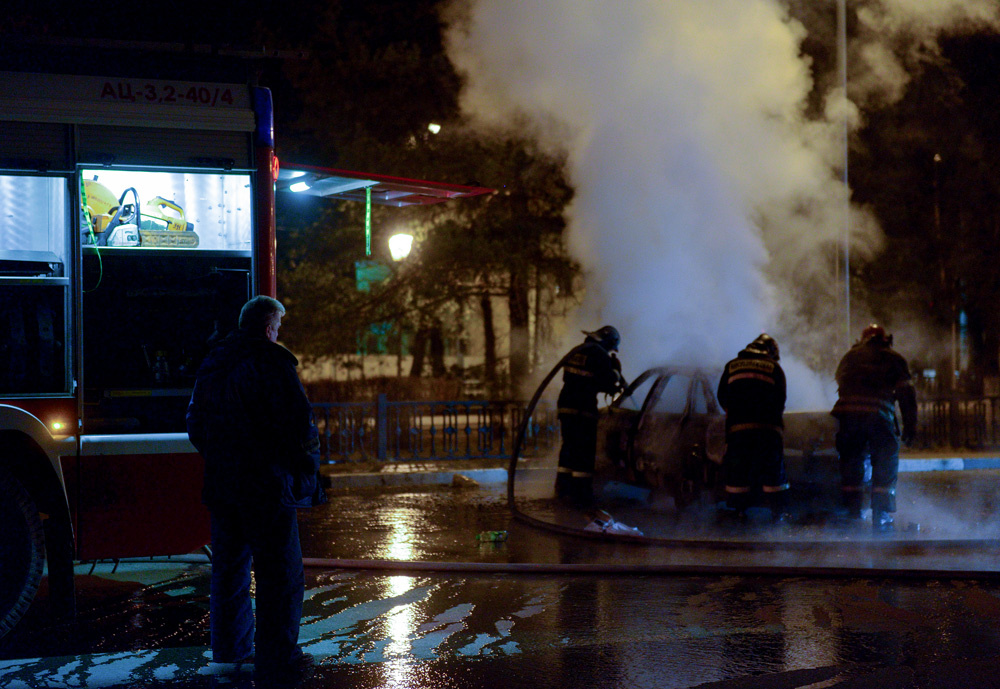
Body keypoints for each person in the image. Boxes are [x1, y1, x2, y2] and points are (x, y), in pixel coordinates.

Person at [186, 295, 326, 684]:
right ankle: (278, 656)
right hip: (267, 486)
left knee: (229, 570)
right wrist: (305, 472)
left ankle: (230, 651)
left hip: (223, 484)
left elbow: (195, 422)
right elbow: (300, 425)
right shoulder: (273, 362)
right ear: (268, 328)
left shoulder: (214, 362)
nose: (278, 334)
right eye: (277, 327)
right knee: (280, 574)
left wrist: (220, 457)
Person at [831, 323, 917, 533]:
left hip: (849, 416)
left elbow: (840, 381)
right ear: (885, 339)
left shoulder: (850, 356)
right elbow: (906, 395)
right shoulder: (894, 359)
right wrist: (910, 426)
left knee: (851, 460)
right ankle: (881, 514)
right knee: (885, 459)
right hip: (878, 416)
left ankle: (852, 511)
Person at [716, 334, 789, 522]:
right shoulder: (774, 368)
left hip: (738, 430)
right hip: (768, 430)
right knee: (773, 471)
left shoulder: (731, 366)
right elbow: (780, 399)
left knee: (738, 470)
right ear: (770, 351)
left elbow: (722, 396)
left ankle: (739, 511)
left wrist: (735, 414)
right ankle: (777, 513)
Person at [555, 325, 625, 506]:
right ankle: (581, 494)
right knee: (584, 450)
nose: (610, 351)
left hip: (566, 406)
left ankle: (563, 489)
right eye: (611, 348)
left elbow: (584, 379)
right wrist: (616, 371)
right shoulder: (600, 355)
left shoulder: (578, 351)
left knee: (569, 447)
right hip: (583, 408)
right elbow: (608, 382)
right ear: (608, 342)